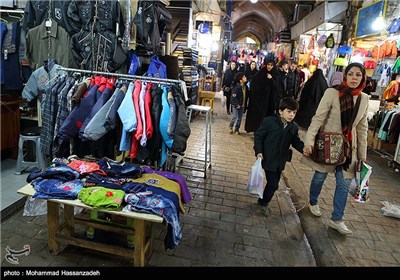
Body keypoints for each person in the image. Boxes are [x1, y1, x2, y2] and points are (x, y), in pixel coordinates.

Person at [302, 62, 369, 235]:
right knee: (320, 176)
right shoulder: (332, 93)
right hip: (329, 144)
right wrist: (308, 142)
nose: (354, 78)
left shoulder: (364, 99)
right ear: (345, 75)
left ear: (363, 78)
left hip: (349, 149)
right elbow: (318, 118)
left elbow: (362, 128)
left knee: (344, 183)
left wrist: (362, 155)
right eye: (351, 74)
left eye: (358, 75)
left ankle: (336, 219)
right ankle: (313, 201)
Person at [254, 98, 305, 216]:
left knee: (273, 183)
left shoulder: (293, 127)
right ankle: (263, 203)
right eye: (289, 112)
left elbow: (295, 141)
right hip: (268, 158)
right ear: (280, 111)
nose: (292, 115)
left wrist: (304, 149)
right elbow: (258, 136)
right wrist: (259, 151)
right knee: (273, 184)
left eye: (294, 112)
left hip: (280, 161)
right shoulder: (269, 121)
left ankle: (262, 200)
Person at [244, 59, 278, 133]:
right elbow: (254, 83)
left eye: (271, 65)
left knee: (266, 117)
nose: (269, 67)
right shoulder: (261, 73)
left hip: (268, 101)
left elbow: (276, 87)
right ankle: (256, 130)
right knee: (258, 116)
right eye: (268, 65)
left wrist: (271, 79)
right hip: (259, 100)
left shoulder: (275, 74)